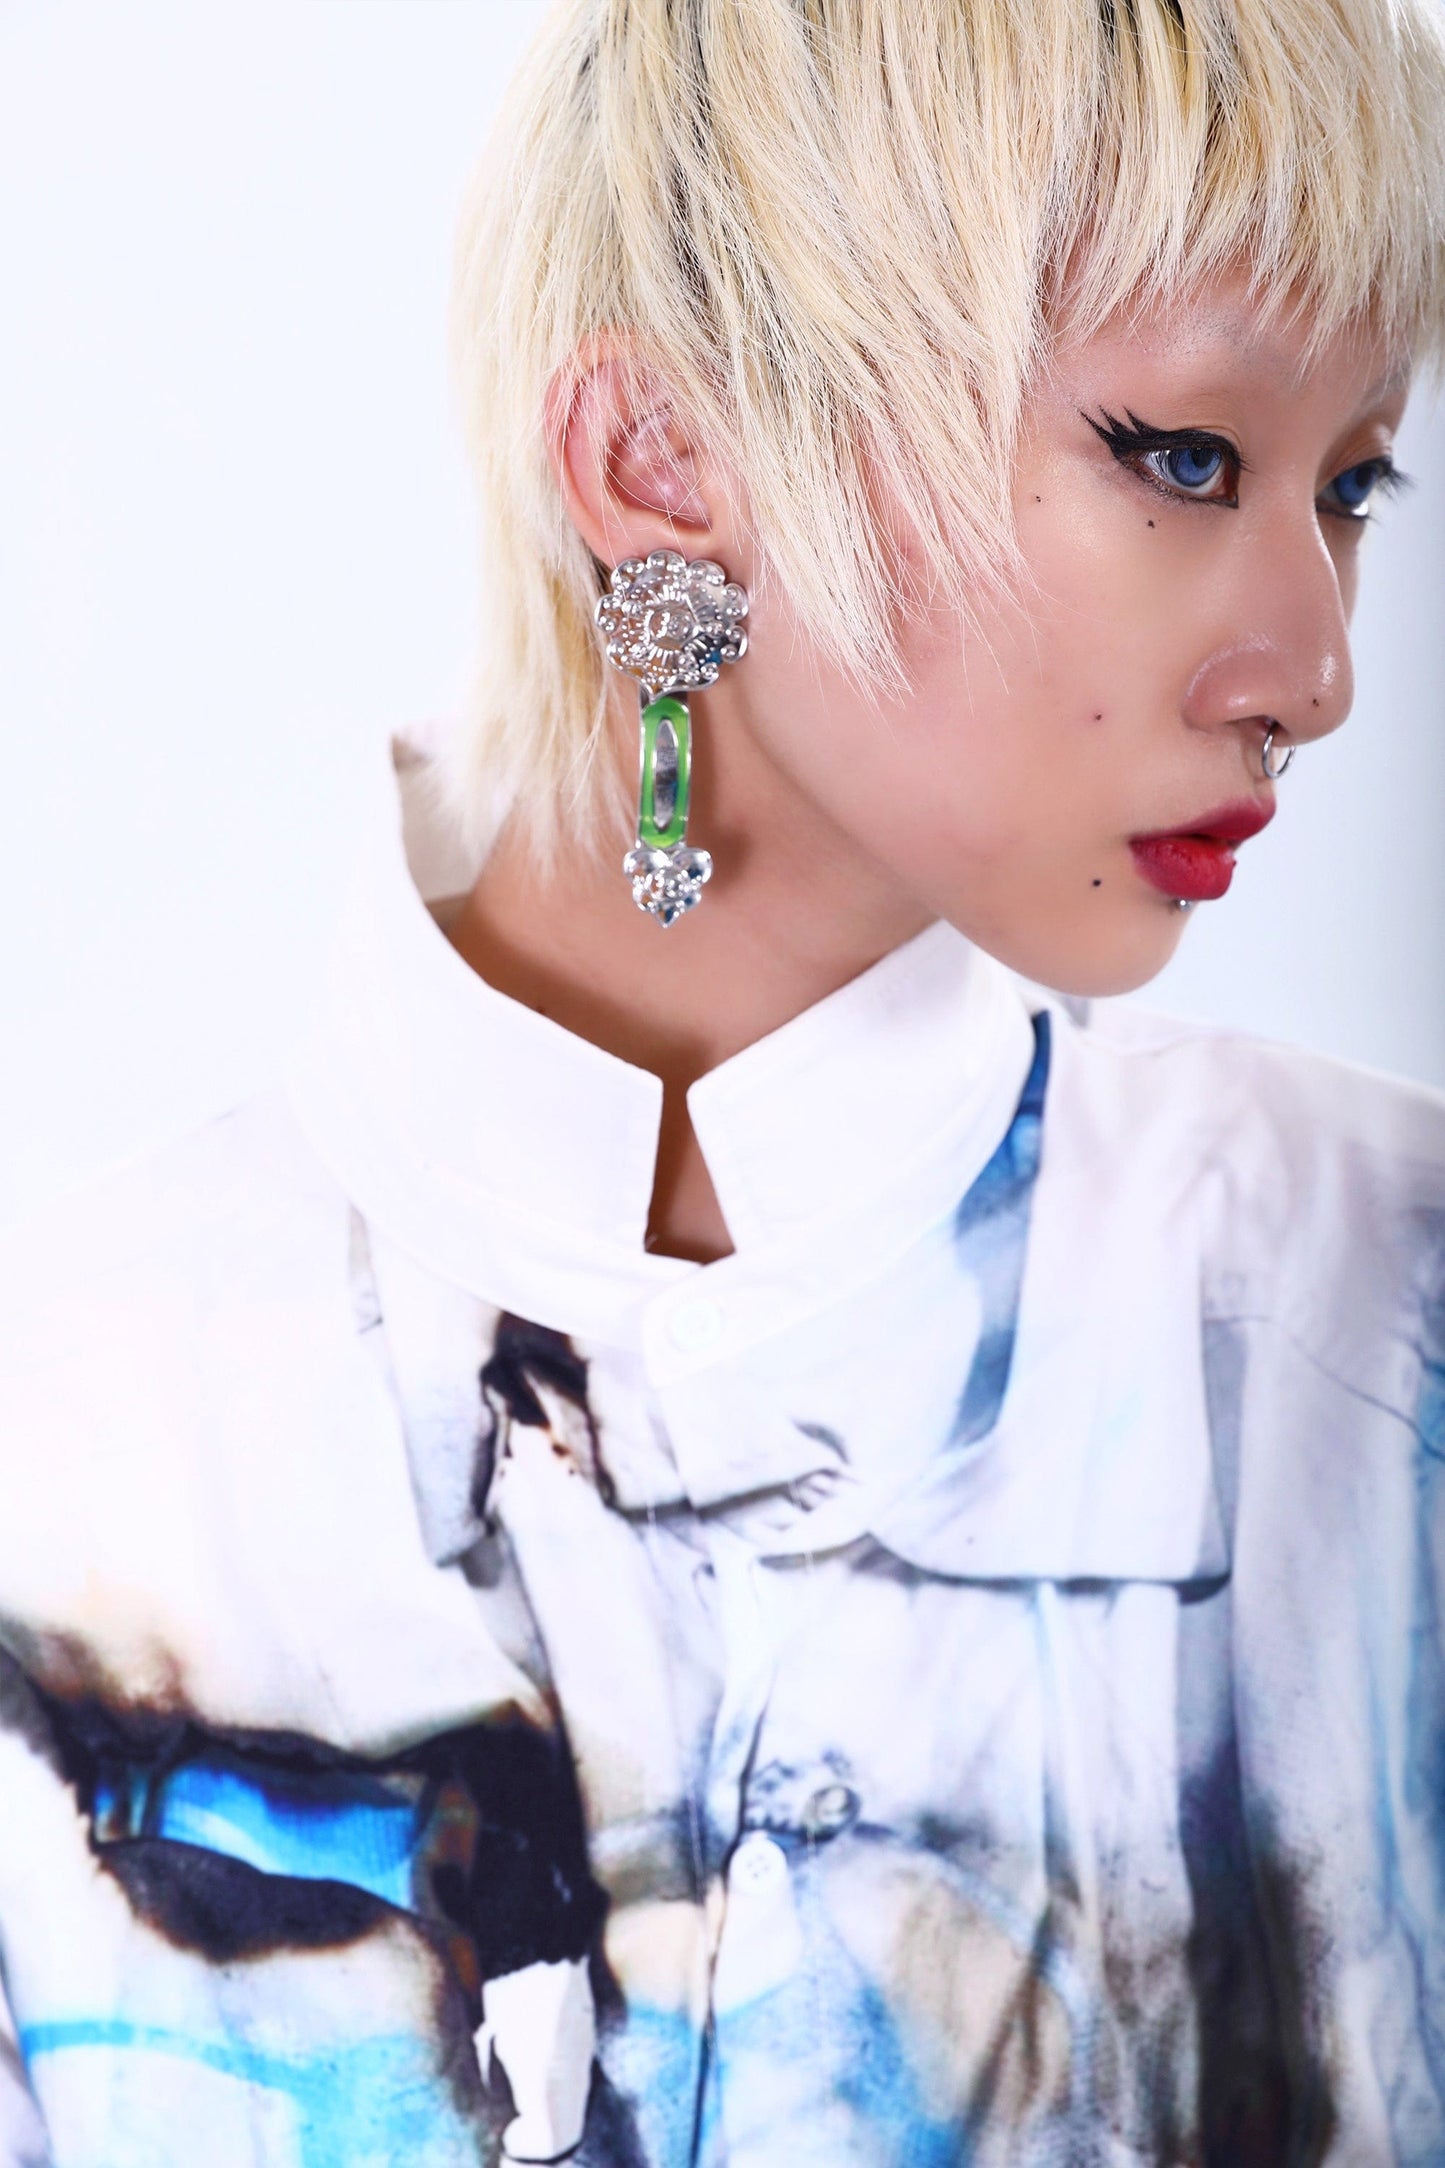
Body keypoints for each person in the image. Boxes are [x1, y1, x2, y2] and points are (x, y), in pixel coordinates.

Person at [2, 0, 1444, 2161]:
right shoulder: (68, 1451)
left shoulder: (1388, 1335)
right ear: (665, 461)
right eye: (1179, 458)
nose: (1314, 668)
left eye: (1351, 484)